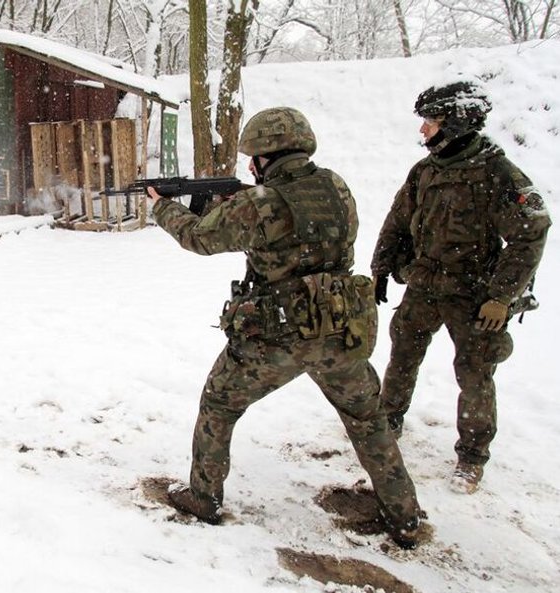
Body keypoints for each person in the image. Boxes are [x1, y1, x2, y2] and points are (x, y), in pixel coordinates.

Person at [148, 107, 425, 549]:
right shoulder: (335, 185)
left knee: (219, 403)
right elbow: (317, 236)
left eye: (252, 158)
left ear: (263, 157)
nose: (249, 166)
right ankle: (405, 515)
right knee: (368, 419)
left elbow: (200, 237)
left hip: (277, 335)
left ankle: (203, 497)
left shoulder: (259, 202)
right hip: (338, 331)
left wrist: (162, 207)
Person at [371, 81, 551, 494]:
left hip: (473, 297)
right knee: (401, 357)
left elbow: (530, 234)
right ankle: (388, 423)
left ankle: (471, 457)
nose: (423, 131)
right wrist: (382, 268)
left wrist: (501, 297)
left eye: (430, 123)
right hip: (423, 285)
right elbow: (398, 220)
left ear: (455, 123)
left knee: (474, 375)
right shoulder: (426, 170)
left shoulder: (497, 173)